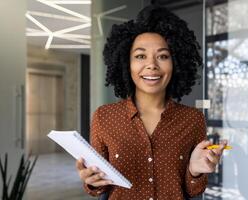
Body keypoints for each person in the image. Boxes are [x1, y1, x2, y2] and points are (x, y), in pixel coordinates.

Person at [76, 5, 227, 200]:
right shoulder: (104, 116)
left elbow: (194, 190)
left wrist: (195, 171)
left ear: (176, 63)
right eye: (140, 56)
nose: (151, 65)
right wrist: (91, 181)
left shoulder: (193, 119)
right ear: (126, 63)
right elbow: (97, 188)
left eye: (163, 56)